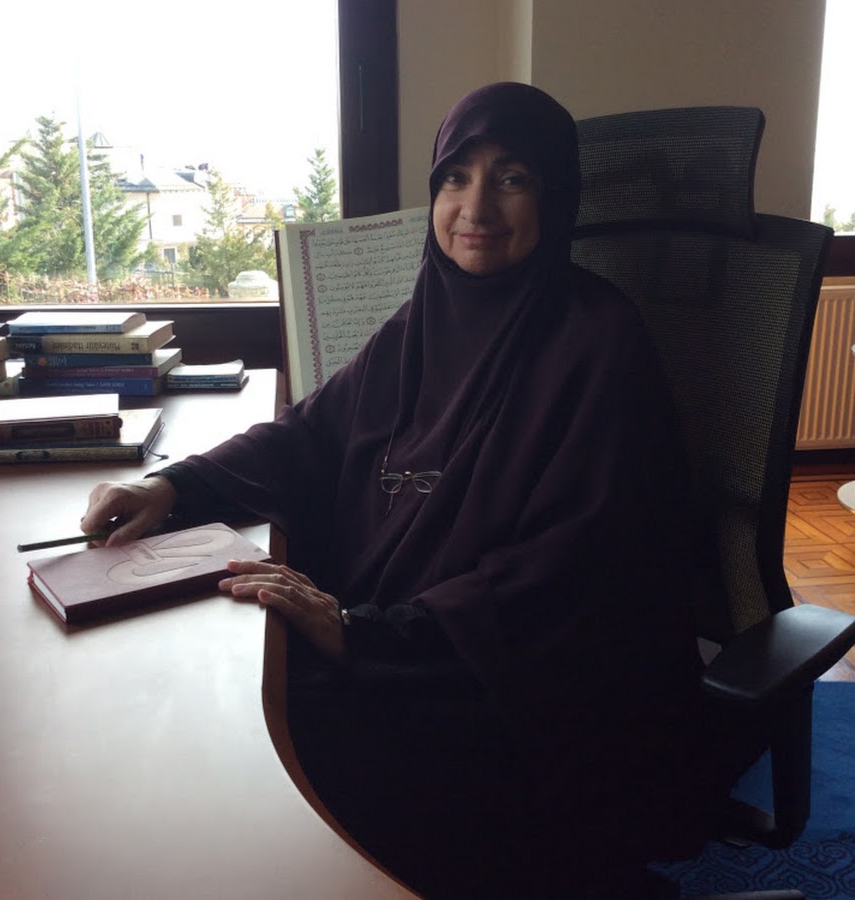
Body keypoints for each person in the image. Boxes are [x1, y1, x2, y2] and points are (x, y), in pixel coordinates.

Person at [81, 83, 709, 898]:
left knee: (266, 732)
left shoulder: (600, 343)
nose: (476, 206)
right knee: (220, 692)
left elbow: (572, 576)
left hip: (509, 686)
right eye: (456, 177)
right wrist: (172, 485)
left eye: (512, 178)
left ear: (556, 195)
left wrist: (368, 635)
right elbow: (308, 437)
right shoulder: (420, 324)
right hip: (399, 636)